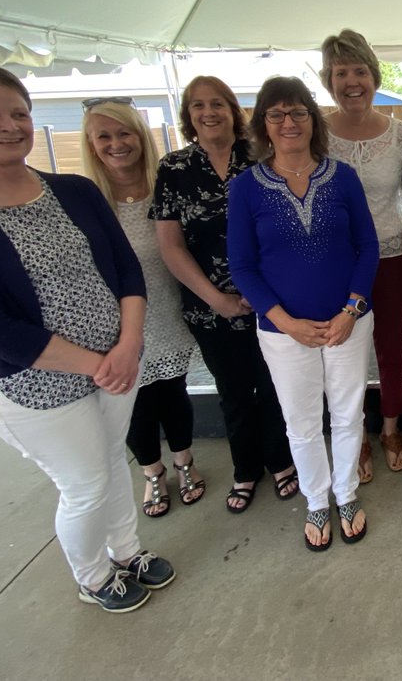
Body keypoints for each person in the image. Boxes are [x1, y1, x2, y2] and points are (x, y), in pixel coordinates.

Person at [0, 62, 174, 614]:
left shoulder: (76, 192)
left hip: (117, 364)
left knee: (110, 462)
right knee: (84, 483)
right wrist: (94, 363)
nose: (9, 125)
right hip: (35, 387)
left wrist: (128, 345)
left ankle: (126, 551)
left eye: (19, 113)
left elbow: (127, 273)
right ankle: (92, 575)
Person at [228, 77, 379, 551]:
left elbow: (367, 247)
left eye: (298, 112)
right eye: (276, 114)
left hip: (347, 322)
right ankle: (317, 500)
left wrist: (352, 310)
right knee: (302, 421)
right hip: (282, 330)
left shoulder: (343, 177)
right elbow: (243, 266)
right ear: (263, 126)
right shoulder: (246, 188)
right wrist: (286, 322)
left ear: (313, 120)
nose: (288, 122)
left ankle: (347, 493)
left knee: (348, 413)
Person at [152, 76, 297, 514]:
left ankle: (281, 461)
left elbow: (286, 229)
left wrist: (262, 292)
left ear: (234, 110)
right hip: (207, 306)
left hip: (269, 300)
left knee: (275, 384)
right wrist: (217, 298)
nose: (208, 112)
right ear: (188, 115)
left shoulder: (262, 160)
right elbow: (170, 245)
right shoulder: (173, 168)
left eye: (218, 103)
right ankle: (245, 469)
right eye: (198, 105)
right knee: (233, 389)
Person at [81, 98, 203, 518]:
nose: (116, 144)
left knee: (173, 391)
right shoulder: (88, 201)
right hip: (116, 320)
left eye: (124, 133)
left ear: (139, 136)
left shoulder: (164, 187)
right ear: (92, 144)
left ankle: (184, 461)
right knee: (131, 399)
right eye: (104, 136)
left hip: (168, 308)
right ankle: (152, 472)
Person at [321, 29, 402, 481]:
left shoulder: (399, 134)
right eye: (341, 72)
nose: (352, 80)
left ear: (374, 77)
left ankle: (391, 429)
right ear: (329, 80)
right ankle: (353, 434)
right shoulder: (315, 133)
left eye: (360, 70)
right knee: (345, 355)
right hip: (335, 266)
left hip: (391, 258)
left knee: (391, 348)